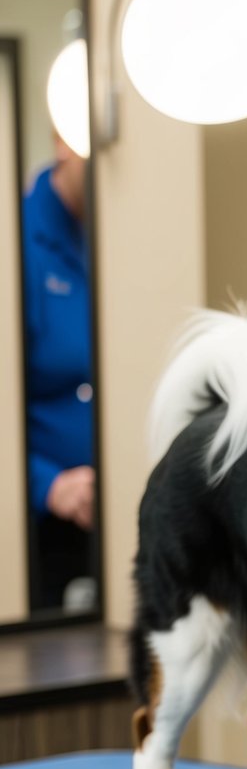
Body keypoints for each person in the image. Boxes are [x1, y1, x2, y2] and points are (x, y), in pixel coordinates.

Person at [22, 132, 96, 611]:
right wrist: (47, 485)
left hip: (119, 505)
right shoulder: (19, 242)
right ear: (63, 143)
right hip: (43, 526)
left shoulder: (117, 234)